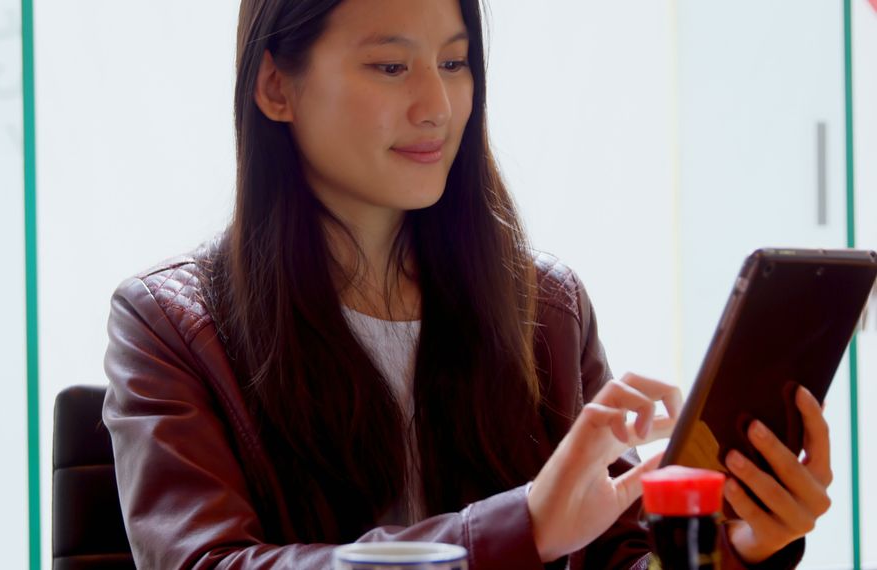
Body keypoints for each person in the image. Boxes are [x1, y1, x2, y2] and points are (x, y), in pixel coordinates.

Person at [102, 0, 833, 567]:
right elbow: (210, 564)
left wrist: (735, 547)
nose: (439, 106)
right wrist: (524, 529)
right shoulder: (170, 326)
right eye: (391, 67)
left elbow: (622, 561)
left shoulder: (547, 308)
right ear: (274, 86)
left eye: (455, 64)